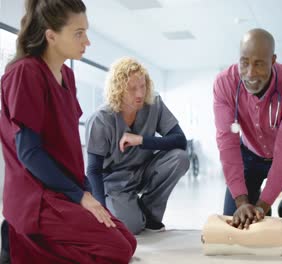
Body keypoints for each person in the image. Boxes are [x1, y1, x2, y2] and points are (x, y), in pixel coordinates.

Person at [0, 0, 136, 263]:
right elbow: (29, 153)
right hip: (36, 196)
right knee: (117, 250)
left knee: (127, 241)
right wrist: (79, 196)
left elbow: (67, 145)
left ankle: (27, 239)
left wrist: (84, 191)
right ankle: (17, 239)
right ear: (51, 36)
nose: (87, 41)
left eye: (86, 32)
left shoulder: (67, 76)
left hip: (63, 189)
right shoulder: (25, 72)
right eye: (79, 33)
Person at [213, 28, 282, 229]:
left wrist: (261, 207)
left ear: (273, 61)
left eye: (259, 64)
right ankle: (268, 199)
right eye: (245, 62)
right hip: (249, 156)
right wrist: (242, 203)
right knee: (234, 224)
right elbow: (227, 143)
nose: (250, 73)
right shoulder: (224, 84)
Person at [86, 57, 190, 235]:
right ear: (118, 90)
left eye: (142, 86)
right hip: (115, 182)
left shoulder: (154, 102)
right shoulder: (101, 119)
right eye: (132, 89)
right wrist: (100, 211)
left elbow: (180, 140)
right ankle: (128, 209)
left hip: (144, 170)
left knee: (180, 158)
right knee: (131, 228)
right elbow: (93, 170)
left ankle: (150, 214)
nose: (140, 94)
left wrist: (141, 139)